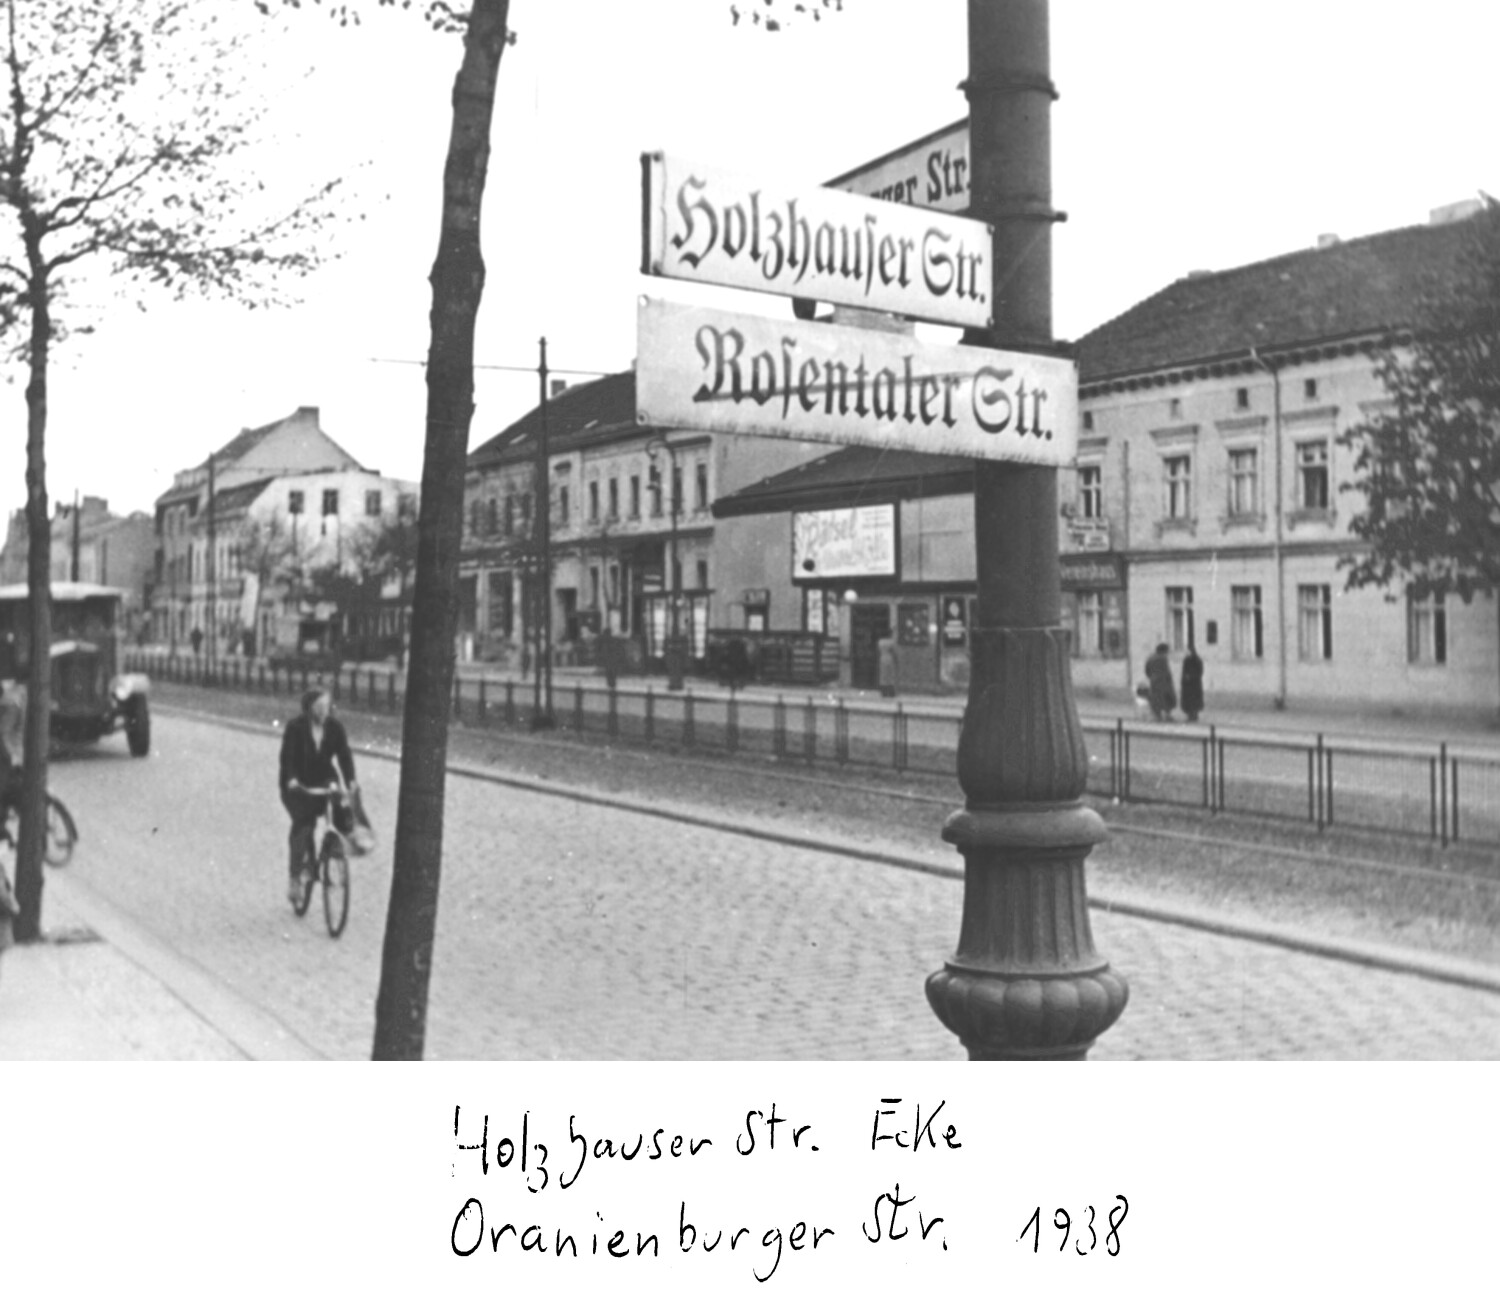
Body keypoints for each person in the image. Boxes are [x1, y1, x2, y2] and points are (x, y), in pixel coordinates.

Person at [279, 686, 357, 904]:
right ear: (309, 708)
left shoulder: (334, 728)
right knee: (304, 826)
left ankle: (336, 841)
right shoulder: (295, 728)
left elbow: (344, 755)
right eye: (319, 707)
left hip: (323, 777)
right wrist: (292, 780)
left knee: (339, 800)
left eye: (327, 706)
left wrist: (350, 780)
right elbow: (288, 759)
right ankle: (295, 877)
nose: (324, 711)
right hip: (298, 783)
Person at [1144, 643, 1177, 722]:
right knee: (1167, 698)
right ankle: (1167, 715)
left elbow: (1147, 670)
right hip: (1164, 682)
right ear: (1163, 650)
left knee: (1156, 699)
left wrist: (1151, 677)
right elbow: (1166, 670)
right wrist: (1169, 680)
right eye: (1167, 651)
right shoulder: (1163, 658)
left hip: (1154, 681)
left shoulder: (1150, 658)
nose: (1167, 653)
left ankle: (1157, 716)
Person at [1180, 646, 1205, 723]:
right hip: (1188, 684)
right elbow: (1184, 671)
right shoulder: (1186, 660)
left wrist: (1190, 676)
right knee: (1189, 701)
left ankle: (1194, 714)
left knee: (1194, 700)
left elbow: (1200, 672)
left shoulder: (1197, 660)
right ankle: (1190, 714)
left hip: (1194, 684)